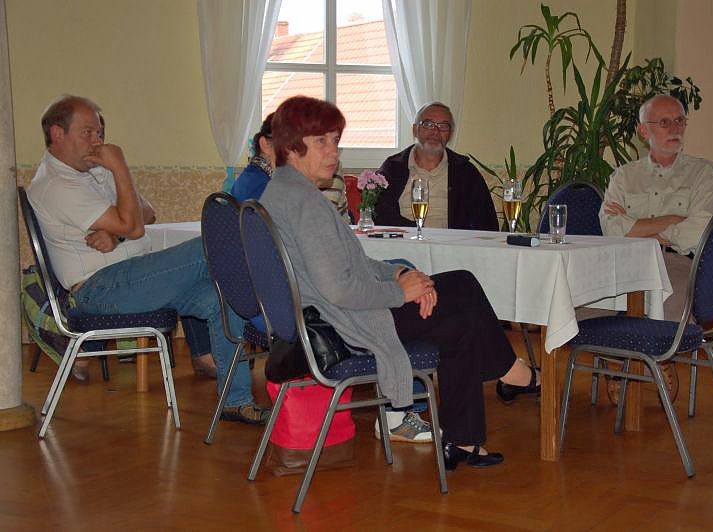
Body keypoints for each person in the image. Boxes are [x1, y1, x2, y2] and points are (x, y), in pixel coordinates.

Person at [259, 95, 539, 470]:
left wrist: (399, 273)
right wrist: (399, 292)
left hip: (337, 312)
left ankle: (480, 417)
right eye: (322, 142)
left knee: (462, 284)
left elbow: (351, 262)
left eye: (335, 141)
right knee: (462, 321)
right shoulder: (305, 203)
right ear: (292, 147)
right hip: (345, 322)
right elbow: (338, 288)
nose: (334, 153)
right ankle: (500, 388)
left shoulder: (287, 190)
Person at [27, 95, 268, 424]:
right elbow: (134, 222)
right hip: (101, 290)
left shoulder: (93, 172)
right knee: (213, 245)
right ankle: (278, 317)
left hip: (132, 279)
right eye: (88, 133)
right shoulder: (56, 183)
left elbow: (147, 215)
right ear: (57, 133)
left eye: (99, 133)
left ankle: (235, 401)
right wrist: (120, 168)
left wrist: (117, 232)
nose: (98, 142)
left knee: (219, 297)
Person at [599, 94, 713, 321]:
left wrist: (639, 231)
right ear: (644, 131)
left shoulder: (704, 174)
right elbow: (611, 227)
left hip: (677, 264)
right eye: (664, 122)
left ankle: (661, 354)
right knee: (580, 301)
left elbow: (698, 230)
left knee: (673, 303)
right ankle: (611, 352)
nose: (674, 128)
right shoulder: (624, 176)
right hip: (626, 262)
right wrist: (672, 219)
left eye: (680, 121)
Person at [374, 102, 498, 231]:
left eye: (443, 126)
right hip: (405, 242)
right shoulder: (393, 167)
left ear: (450, 134)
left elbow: (487, 222)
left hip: (453, 246)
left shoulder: (466, 172)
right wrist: (416, 233)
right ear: (415, 130)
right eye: (428, 124)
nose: (435, 131)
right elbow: (379, 213)